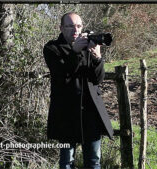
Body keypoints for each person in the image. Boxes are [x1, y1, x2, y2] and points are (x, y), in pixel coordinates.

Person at [43, 12, 114, 169]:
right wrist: (74, 52)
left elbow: (97, 79)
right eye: (70, 26)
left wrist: (97, 58)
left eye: (79, 26)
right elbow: (62, 76)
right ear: (61, 28)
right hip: (66, 113)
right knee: (67, 161)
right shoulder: (52, 48)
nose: (75, 30)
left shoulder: (88, 45)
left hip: (91, 112)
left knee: (94, 160)